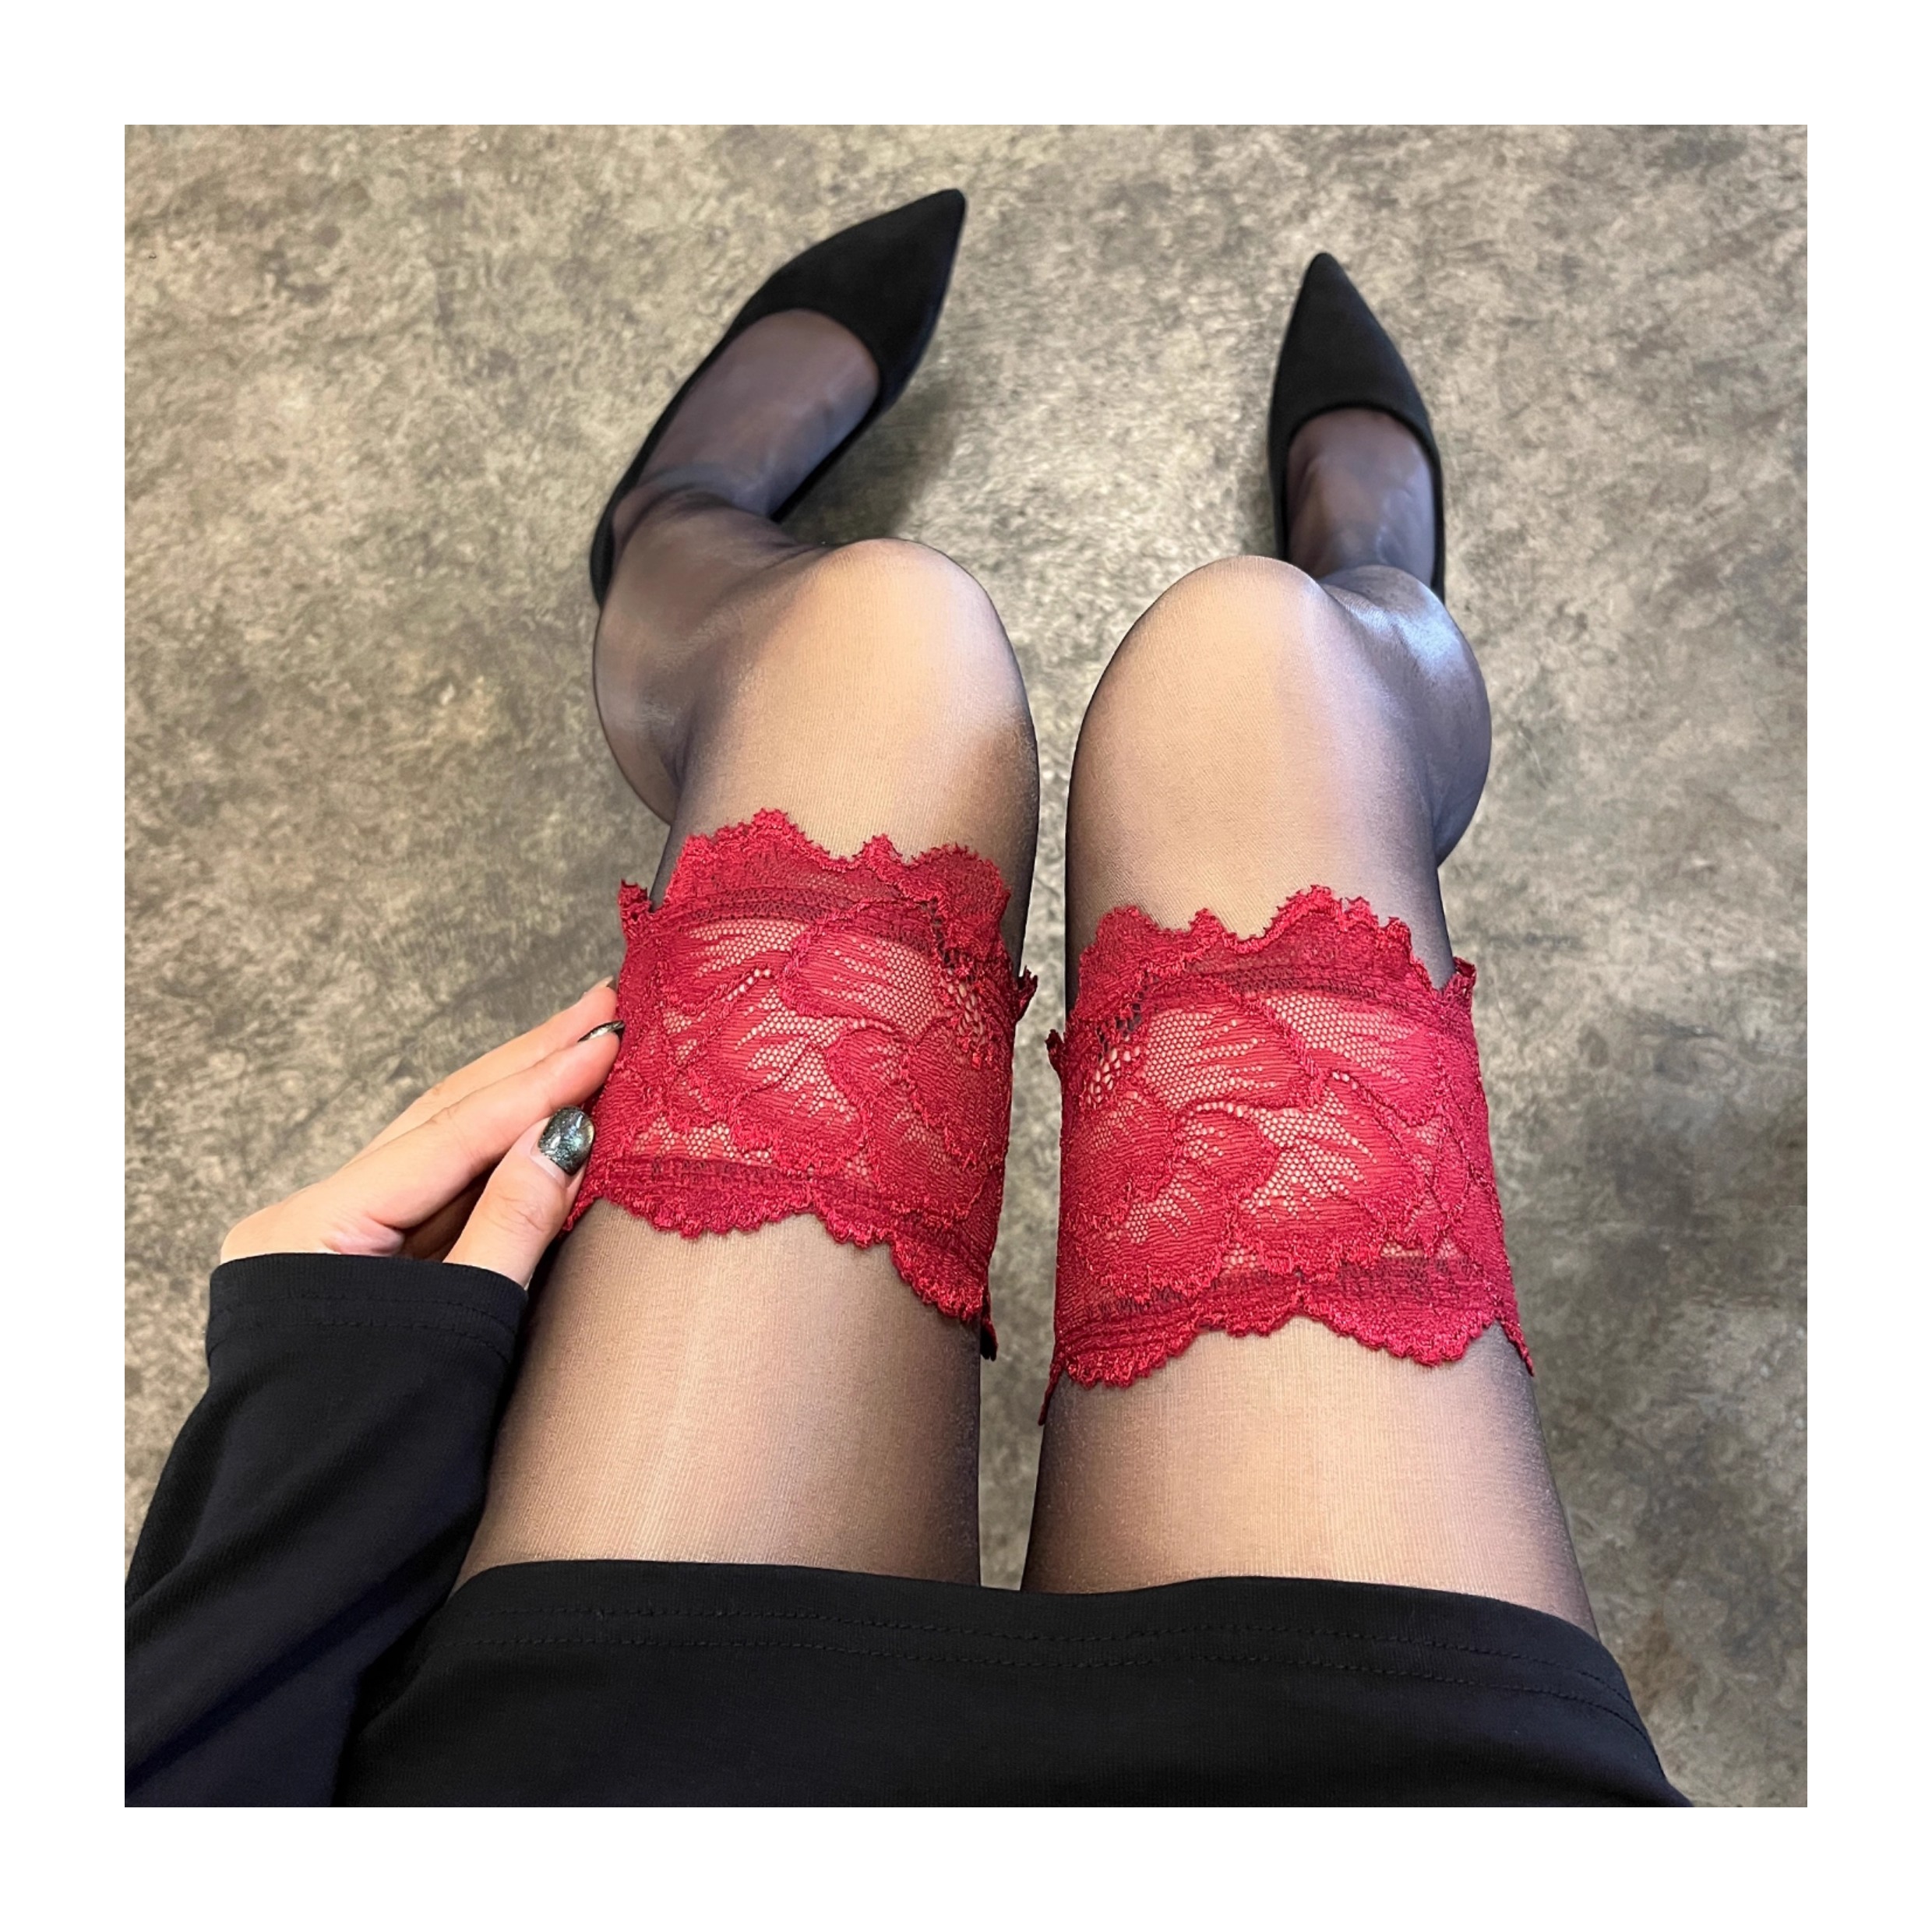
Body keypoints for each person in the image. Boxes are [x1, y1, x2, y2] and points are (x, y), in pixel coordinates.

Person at [125, 189, 1683, 1805]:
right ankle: (1379, 637)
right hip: (1398, 1800)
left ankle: (679, 545)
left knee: (884, 632)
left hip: (633, 1770)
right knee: (1260, 662)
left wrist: (308, 1442)